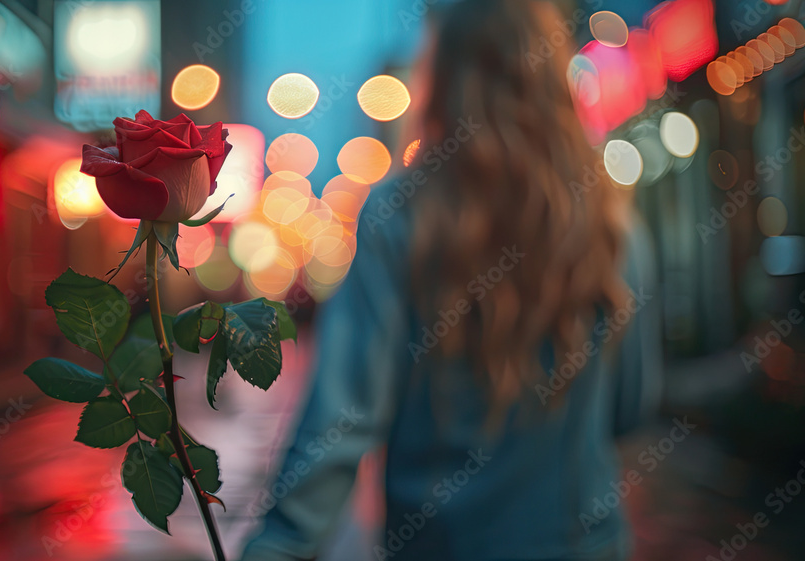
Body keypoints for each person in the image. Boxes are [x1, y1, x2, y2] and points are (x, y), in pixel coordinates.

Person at [241, 1, 661, 559]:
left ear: (444, 82)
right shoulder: (611, 223)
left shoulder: (401, 215)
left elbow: (341, 425)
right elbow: (632, 406)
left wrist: (279, 546)